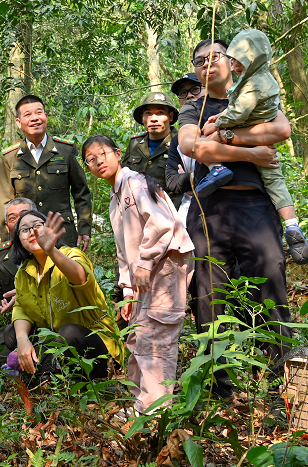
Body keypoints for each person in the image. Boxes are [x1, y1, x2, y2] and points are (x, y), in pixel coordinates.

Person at [177, 38, 295, 398]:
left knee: (272, 273)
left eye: (215, 57)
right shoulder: (192, 109)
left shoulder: (255, 93)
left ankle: (279, 380)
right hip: (209, 207)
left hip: (256, 207)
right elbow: (191, 146)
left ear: (232, 62)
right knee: (208, 291)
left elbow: (281, 130)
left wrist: (228, 136)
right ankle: (218, 384)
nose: (207, 64)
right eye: (199, 61)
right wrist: (253, 152)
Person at [83, 135, 193, 412]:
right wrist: (128, 291)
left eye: (103, 154)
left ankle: (155, 409)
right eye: (91, 160)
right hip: (144, 275)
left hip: (165, 264)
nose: (99, 162)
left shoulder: (135, 182)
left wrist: (144, 263)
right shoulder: (114, 199)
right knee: (137, 337)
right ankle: (139, 403)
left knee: (157, 336)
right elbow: (124, 251)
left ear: (118, 154)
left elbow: (162, 225)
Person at [196, 28, 308, 263]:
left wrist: (218, 125)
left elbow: (240, 112)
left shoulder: (253, 84)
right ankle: (292, 224)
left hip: (249, 126)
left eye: (238, 62)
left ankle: (217, 168)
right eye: (234, 61)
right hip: (261, 135)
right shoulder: (258, 79)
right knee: (275, 180)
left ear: (253, 60)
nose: (236, 66)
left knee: (206, 145)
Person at [2, 211, 122, 380]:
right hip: (54, 341)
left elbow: (80, 277)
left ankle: (47, 372)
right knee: (11, 333)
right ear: (19, 241)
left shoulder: (70, 254)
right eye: (24, 229)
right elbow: (21, 307)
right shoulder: (24, 273)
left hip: (91, 344)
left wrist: (51, 250)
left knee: (69, 333)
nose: (32, 232)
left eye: (37, 225)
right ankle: (45, 369)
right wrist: (22, 341)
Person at [0, 95, 92, 249]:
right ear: (18, 123)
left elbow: (81, 192)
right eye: (27, 115)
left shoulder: (65, 151)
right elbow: (5, 204)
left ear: (46, 117)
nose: (34, 118)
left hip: (61, 234)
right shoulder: (9, 157)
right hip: (27, 239)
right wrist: (8, 241)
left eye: (39, 113)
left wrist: (84, 228)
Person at [0, 197, 37, 342]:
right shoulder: (0, 255)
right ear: (7, 226)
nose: (19, 222)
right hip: (15, 325)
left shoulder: (49, 252)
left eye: (24, 215)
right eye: (13, 218)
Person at [123, 92, 181, 207]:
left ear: (171, 116)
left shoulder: (181, 143)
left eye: (160, 113)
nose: (153, 119)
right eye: (148, 113)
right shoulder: (135, 142)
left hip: (171, 214)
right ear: (142, 118)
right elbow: (125, 177)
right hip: (138, 212)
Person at [165, 73, 204, 220]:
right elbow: (172, 181)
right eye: (183, 93)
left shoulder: (225, 121)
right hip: (192, 213)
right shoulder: (178, 141)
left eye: (195, 89)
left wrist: (188, 179)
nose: (189, 96)